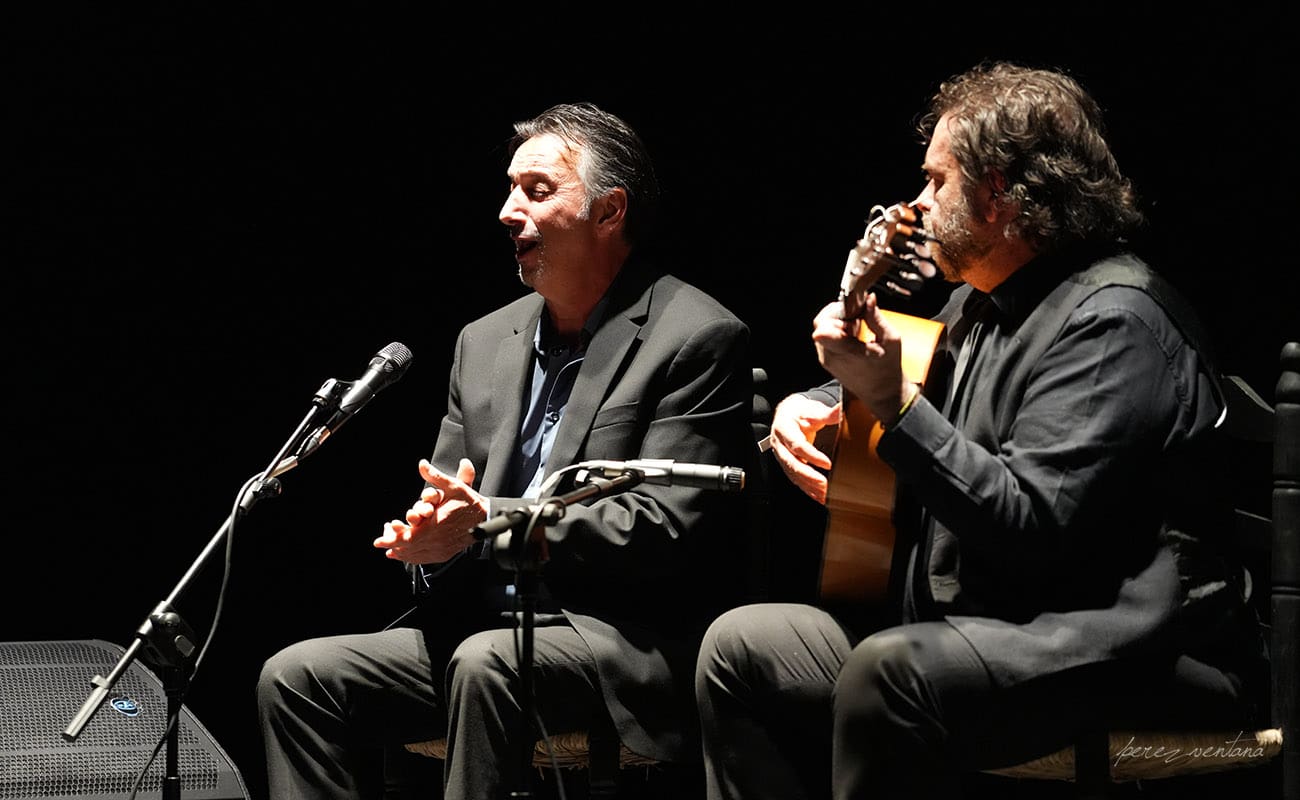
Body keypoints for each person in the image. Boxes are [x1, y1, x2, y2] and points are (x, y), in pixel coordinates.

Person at [694, 61, 1267, 799]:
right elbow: (892, 379)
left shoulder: (1114, 320)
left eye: (937, 181)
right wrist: (813, 403)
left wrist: (893, 403)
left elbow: (1032, 525)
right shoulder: (976, 305)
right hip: (994, 628)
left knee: (891, 671)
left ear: (998, 191)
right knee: (742, 647)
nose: (919, 202)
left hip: (1131, 648)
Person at [258, 101, 755, 799]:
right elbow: (449, 491)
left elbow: (669, 525)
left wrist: (489, 521)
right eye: (510, 188)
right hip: (479, 625)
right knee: (299, 675)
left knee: (487, 666)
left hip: (613, 642)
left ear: (610, 212)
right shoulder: (483, 341)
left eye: (537, 190)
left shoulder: (696, 334)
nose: (506, 210)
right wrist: (431, 542)